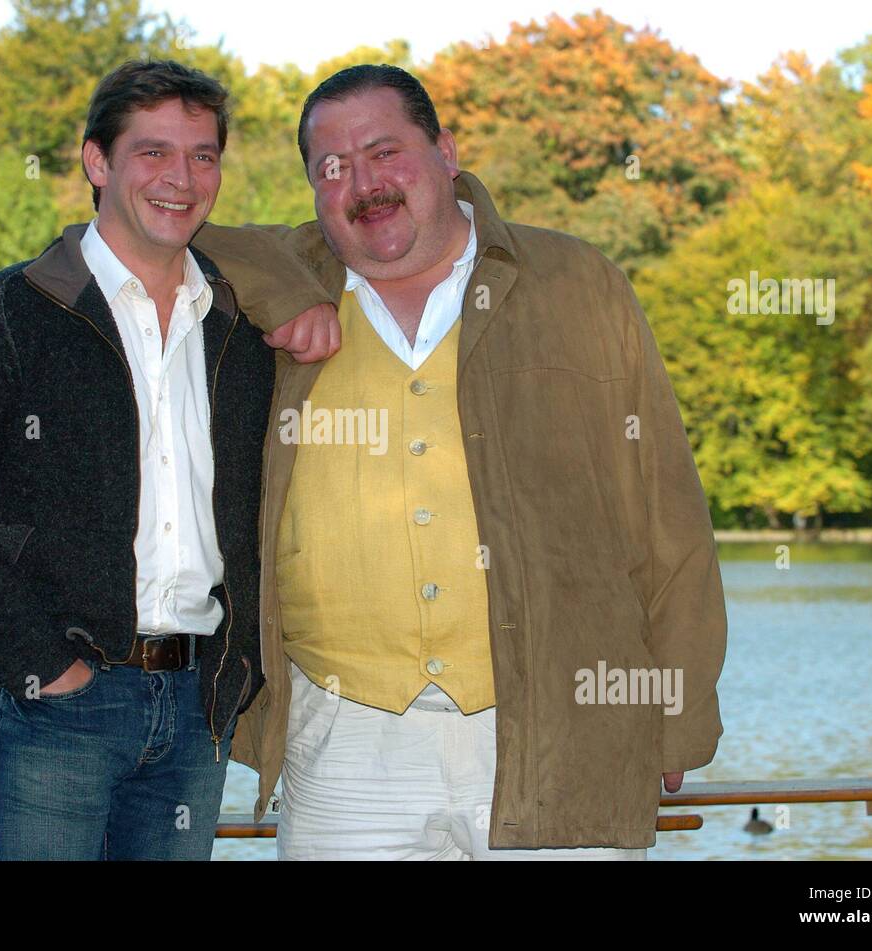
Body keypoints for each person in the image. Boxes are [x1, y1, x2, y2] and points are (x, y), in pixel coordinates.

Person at [192, 64, 729, 860]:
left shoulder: (577, 282)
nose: (364, 184)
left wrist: (677, 710)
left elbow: (667, 512)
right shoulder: (286, 278)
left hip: (558, 722)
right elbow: (149, 230)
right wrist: (281, 288)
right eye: (332, 168)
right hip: (344, 745)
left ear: (446, 151)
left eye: (385, 151)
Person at [0, 60, 337, 860]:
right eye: (154, 152)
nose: (182, 177)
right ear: (97, 162)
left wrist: (234, 674)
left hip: (197, 706)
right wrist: (38, 657)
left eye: (203, 155)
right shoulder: (11, 310)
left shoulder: (239, 326)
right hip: (56, 703)